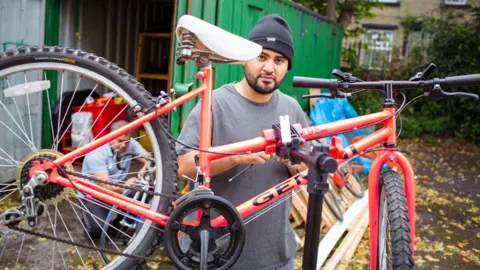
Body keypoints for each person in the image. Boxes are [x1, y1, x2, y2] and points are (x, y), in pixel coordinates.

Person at [176, 14, 308, 270]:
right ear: (245, 59)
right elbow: (184, 166)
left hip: (276, 257)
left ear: (286, 67)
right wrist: (238, 157)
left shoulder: (291, 109)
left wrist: (294, 161)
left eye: (279, 60)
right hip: (215, 255)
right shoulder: (215, 103)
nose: (269, 67)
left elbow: (306, 173)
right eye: (262, 57)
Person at [80, 120, 151, 238]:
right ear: (110, 137)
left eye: (127, 142)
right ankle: (90, 221)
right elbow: (105, 187)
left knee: (142, 190)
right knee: (97, 232)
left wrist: (145, 167)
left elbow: (150, 159)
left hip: (120, 190)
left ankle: (119, 223)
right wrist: (126, 186)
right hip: (95, 195)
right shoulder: (96, 153)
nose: (124, 145)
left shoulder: (129, 142)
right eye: (120, 141)